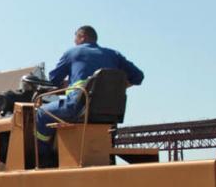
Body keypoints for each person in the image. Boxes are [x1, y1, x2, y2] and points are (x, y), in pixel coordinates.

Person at [36, 25, 145, 165]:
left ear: (82, 37)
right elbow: (138, 77)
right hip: (109, 113)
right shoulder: (114, 55)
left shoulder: (73, 52)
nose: (74, 42)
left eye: (75, 38)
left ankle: (43, 158)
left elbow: (53, 81)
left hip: (78, 107)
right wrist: (115, 87)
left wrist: (68, 84)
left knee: (41, 113)